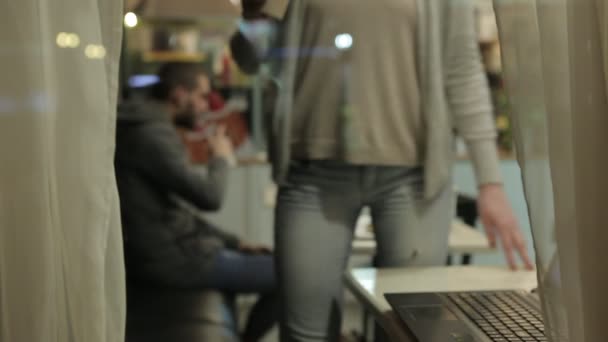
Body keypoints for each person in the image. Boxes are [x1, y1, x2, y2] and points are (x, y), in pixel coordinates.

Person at [232, 1, 535, 341]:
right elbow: (251, 59)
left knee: (409, 332)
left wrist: (490, 182)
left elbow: (462, 69)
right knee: (304, 335)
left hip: (414, 178)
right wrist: (256, 13)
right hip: (312, 174)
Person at [114, 62, 277, 341]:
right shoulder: (152, 135)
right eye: (202, 96)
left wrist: (234, 242)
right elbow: (210, 197)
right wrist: (221, 158)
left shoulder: (148, 126)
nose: (206, 106)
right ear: (179, 94)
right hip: (172, 262)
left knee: (277, 265)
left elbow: (175, 211)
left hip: (173, 253)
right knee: (288, 275)